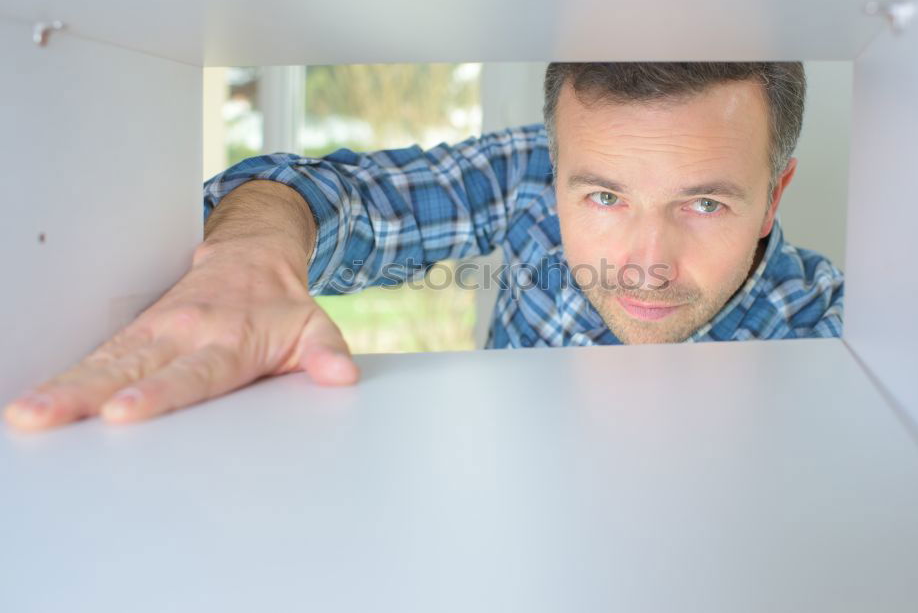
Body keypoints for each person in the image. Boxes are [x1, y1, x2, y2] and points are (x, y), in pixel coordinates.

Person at [4, 62, 843, 431]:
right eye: (604, 196)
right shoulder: (525, 174)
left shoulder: (843, 336)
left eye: (702, 202)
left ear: (774, 195)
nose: (647, 261)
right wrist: (249, 259)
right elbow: (335, 194)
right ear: (558, 172)